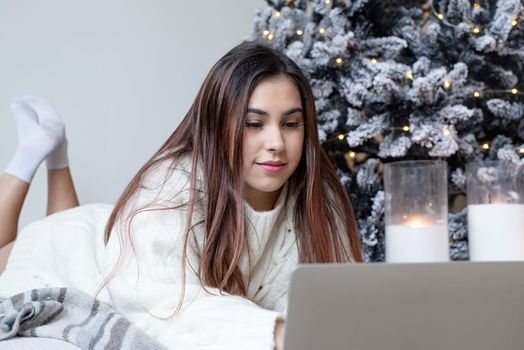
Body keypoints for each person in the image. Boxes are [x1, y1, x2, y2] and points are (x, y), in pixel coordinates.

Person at [0, 41, 362, 350]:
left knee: (60, 222)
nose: (276, 144)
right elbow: (164, 304)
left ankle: (56, 152)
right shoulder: (172, 180)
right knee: (14, 244)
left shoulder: (319, 199)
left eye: (291, 123)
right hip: (75, 249)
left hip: (116, 234)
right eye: (254, 124)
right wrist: (278, 332)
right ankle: (35, 152)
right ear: (219, 125)